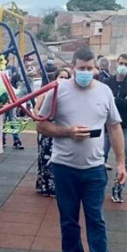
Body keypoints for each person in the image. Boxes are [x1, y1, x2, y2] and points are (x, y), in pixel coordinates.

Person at [37, 47, 126, 252]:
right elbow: (41, 126)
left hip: (94, 167)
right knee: (68, 219)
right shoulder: (58, 91)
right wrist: (67, 132)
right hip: (64, 166)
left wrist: (121, 163)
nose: (85, 73)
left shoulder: (104, 91)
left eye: (89, 69)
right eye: (81, 68)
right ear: (73, 68)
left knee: (96, 219)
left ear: (96, 69)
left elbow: (115, 128)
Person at [105, 54, 127, 203]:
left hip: (125, 125)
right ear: (116, 63)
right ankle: (98, 185)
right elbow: (104, 102)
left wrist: (114, 100)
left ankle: (118, 189)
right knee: (100, 157)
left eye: (126, 64)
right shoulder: (107, 82)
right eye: (121, 63)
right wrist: (121, 100)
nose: (123, 66)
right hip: (106, 126)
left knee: (123, 158)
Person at [35, 68, 71, 197]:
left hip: (58, 130)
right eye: (61, 77)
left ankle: (55, 185)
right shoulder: (47, 92)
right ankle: (44, 186)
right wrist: (43, 117)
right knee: (45, 157)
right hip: (46, 129)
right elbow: (36, 109)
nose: (63, 80)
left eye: (66, 78)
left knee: (55, 157)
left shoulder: (67, 96)